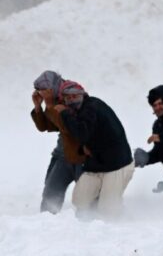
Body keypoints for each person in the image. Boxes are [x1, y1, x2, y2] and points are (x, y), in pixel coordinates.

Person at [57, 81, 134, 219]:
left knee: (108, 210)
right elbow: (89, 135)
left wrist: (64, 114)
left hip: (117, 165)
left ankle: (122, 223)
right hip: (96, 164)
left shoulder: (91, 107)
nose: (72, 100)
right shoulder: (79, 111)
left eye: (75, 96)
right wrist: (82, 149)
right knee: (79, 199)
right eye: (68, 97)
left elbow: (82, 133)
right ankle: (88, 225)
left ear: (82, 94)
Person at [30, 71, 84, 214]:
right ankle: (47, 226)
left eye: (44, 90)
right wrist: (38, 107)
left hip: (82, 156)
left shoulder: (71, 94)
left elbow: (68, 127)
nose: (42, 93)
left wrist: (49, 104)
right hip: (63, 154)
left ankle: (88, 228)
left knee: (86, 200)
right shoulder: (55, 99)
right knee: (51, 194)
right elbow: (45, 127)